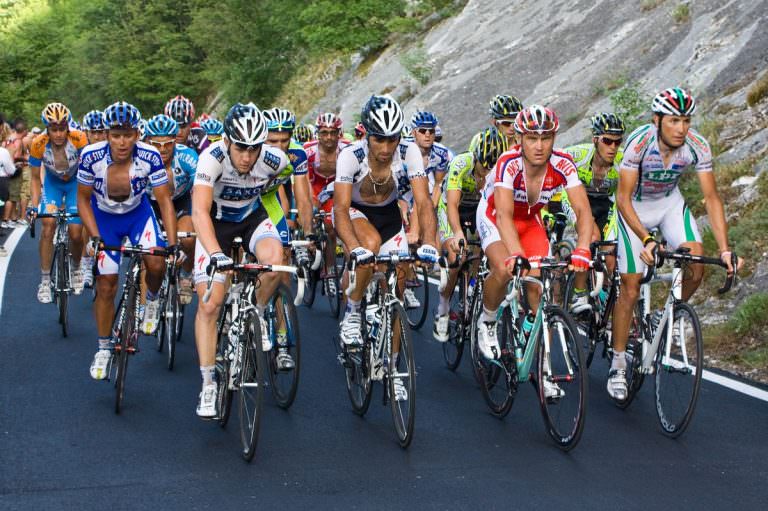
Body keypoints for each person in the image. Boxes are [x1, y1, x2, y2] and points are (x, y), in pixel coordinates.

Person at [607, 87, 743, 400]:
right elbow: (623, 198)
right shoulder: (639, 143)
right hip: (635, 209)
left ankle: (661, 318)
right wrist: (645, 238)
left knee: (696, 265)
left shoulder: (697, 145)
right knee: (630, 284)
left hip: (669, 204)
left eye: (685, 120)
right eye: (673, 121)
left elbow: (711, 198)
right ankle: (617, 364)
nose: (681, 128)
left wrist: (724, 249)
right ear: (657, 120)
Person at [475, 105, 593, 398]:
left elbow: (582, 210)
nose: (539, 146)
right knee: (505, 268)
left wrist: (582, 248)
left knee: (541, 293)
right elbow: (502, 215)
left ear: (554, 138)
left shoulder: (564, 164)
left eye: (546, 138)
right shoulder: (508, 163)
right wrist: (516, 256)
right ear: (519, 139)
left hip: (529, 221)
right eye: (531, 138)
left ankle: (541, 370)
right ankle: (487, 320)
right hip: (494, 216)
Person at [191, 102, 290, 417]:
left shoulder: (274, 159)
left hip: (250, 218)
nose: (247, 157)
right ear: (226, 140)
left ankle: (256, 313)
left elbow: (281, 178)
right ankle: (208, 385)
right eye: (241, 148)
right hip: (215, 225)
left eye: (253, 149)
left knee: (275, 262)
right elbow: (198, 212)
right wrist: (217, 255)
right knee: (210, 303)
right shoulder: (212, 159)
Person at [77, 101, 177, 380]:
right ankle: (103, 348)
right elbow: (83, 200)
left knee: (157, 264)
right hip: (104, 218)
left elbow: (165, 199)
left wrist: (172, 242)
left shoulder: (150, 156)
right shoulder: (90, 156)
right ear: (107, 135)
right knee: (106, 284)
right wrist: (95, 236)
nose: (122, 142)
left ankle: (153, 300)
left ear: (137, 134)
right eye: (116, 135)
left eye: (128, 135)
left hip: (137, 215)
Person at [334, 95, 439, 358]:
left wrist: (428, 243)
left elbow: (424, 201)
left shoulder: (408, 151)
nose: (386, 147)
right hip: (357, 212)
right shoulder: (351, 155)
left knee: (398, 290)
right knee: (369, 248)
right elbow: (341, 209)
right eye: (379, 139)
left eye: (391, 139)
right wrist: (353, 247)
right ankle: (353, 309)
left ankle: (391, 366)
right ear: (366, 135)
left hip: (389, 215)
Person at [433, 127, 507, 341]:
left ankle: (473, 289)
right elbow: (452, 205)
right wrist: (457, 232)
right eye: (484, 166)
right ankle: (443, 308)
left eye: (492, 167)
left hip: (479, 208)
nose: (487, 172)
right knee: (457, 257)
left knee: (488, 252)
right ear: (475, 158)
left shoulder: (501, 170)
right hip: (454, 207)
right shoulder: (461, 163)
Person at [561, 112, 625, 312]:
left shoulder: (622, 160)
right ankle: (579, 294)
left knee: (611, 252)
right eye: (607, 141)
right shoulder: (577, 155)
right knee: (591, 237)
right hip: (577, 199)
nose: (613, 147)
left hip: (605, 203)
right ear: (595, 139)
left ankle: (605, 293)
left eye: (617, 142)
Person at [27, 103, 89, 301]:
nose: (59, 134)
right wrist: (33, 205)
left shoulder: (79, 139)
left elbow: (90, 169)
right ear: (47, 129)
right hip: (52, 184)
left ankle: (77, 267)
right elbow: (35, 178)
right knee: (48, 226)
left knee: (76, 233)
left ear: (68, 127)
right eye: (54, 130)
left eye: (62, 129)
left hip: (75, 184)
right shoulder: (37, 144)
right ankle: (45, 280)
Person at [144, 114, 198, 303]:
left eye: (168, 143)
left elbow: (200, 189)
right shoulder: (139, 157)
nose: (163, 149)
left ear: (175, 140)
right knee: (149, 255)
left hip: (179, 203)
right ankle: (149, 301)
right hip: (150, 204)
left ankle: (186, 275)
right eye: (156, 144)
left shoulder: (187, 157)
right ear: (146, 141)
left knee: (189, 238)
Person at [304, 112, 350, 286]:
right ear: (317, 133)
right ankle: (309, 244)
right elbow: (304, 182)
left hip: (335, 186)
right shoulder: (308, 150)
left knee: (330, 227)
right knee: (310, 216)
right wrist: (311, 203)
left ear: (340, 133)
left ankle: (330, 269)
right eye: (324, 132)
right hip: (314, 185)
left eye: (333, 132)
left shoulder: (347, 149)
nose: (329, 137)